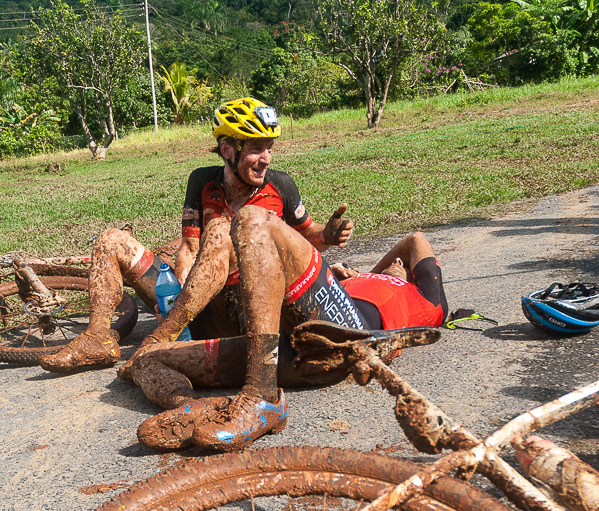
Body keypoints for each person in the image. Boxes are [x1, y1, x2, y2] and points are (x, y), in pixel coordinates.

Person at [40, 97, 353, 373]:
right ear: (228, 149)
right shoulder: (202, 181)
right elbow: (190, 247)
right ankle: (98, 338)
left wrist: (327, 235)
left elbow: (306, 237)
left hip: (249, 309)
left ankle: (165, 335)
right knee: (112, 240)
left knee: (220, 232)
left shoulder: (281, 186)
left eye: (269, 149)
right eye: (256, 149)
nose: (266, 159)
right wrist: (179, 298)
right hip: (199, 304)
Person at [132, 226, 447, 451]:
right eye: (396, 263)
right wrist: (361, 274)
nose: (398, 263)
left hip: (345, 334)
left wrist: (374, 274)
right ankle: (200, 408)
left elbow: (415, 240)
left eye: (404, 266)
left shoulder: (427, 301)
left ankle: (262, 397)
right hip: (276, 353)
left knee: (256, 221)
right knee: (147, 361)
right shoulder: (357, 280)